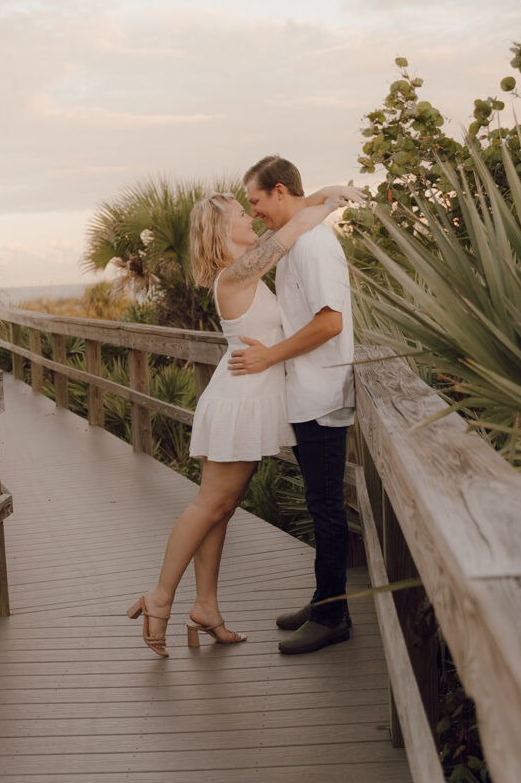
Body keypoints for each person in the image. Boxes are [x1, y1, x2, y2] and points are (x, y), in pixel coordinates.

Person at [126, 181, 360, 657]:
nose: (250, 218)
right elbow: (292, 228)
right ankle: (160, 597)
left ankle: (206, 608)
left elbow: (290, 217)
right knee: (208, 507)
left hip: (248, 400)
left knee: (221, 509)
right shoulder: (235, 275)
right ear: (220, 230)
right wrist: (331, 201)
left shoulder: (240, 273)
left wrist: (323, 192)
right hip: (239, 403)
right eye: (240, 214)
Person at [230, 155, 356, 655]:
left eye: (257, 201)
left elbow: (330, 322)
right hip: (305, 392)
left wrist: (269, 358)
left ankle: (333, 616)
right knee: (318, 502)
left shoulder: (316, 247)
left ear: (280, 192)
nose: (254, 211)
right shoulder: (299, 240)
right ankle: (325, 598)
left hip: (322, 393)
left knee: (326, 508)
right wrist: (325, 195)